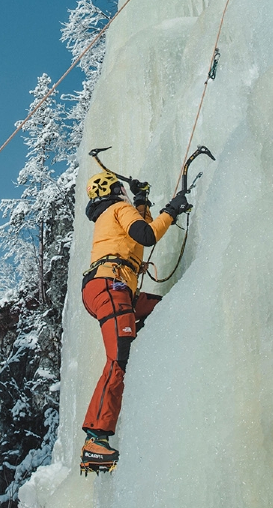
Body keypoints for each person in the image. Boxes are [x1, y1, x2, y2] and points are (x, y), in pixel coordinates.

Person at [80, 169, 191, 472]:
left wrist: (144, 201)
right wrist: (172, 209)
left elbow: (137, 234)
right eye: (123, 190)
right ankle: (95, 439)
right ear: (114, 191)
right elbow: (147, 234)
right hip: (111, 286)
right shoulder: (119, 208)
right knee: (118, 357)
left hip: (110, 289)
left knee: (170, 308)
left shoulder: (110, 215)